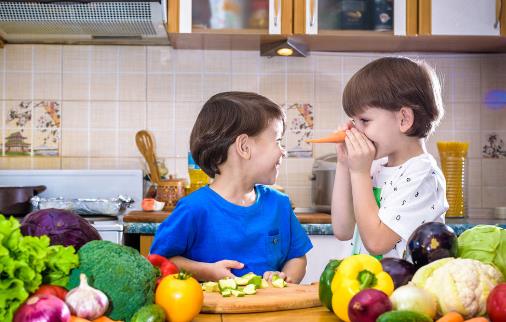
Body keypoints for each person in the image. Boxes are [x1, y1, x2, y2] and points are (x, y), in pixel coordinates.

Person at [150, 91, 313, 283]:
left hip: (271, 312)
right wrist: (207, 271)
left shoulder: (280, 204)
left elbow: (297, 256)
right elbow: (160, 261)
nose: (283, 151)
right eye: (277, 141)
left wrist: (286, 278)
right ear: (244, 147)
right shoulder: (194, 208)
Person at [331, 57, 449, 259]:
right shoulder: (375, 165)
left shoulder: (422, 175)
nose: (355, 130)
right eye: (353, 120)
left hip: (403, 288)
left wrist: (359, 172)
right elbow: (343, 230)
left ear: (404, 119)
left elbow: (376, 243)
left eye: (364, 120)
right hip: (368, 285)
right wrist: (344, 164)